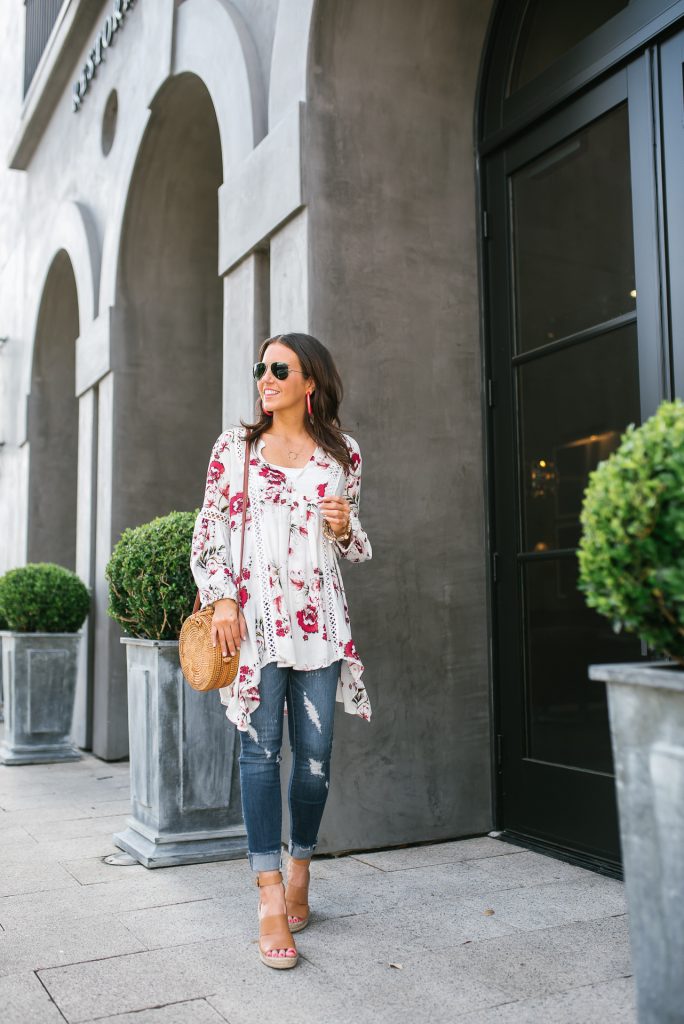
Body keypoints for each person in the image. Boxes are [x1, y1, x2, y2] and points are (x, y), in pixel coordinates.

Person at [190, 332, 372, 969]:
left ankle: (301, 868)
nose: (264, 378)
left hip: (318, 624)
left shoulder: (342, 455)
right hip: (256, 624)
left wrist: (346, 526)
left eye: (279, 369)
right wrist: (224, 600)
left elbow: (353, 545)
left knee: (316, 757)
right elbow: (208, 534)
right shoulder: (234, 451)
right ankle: (269, 894)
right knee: (261, 753)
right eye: (261, 368)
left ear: (309, 382)